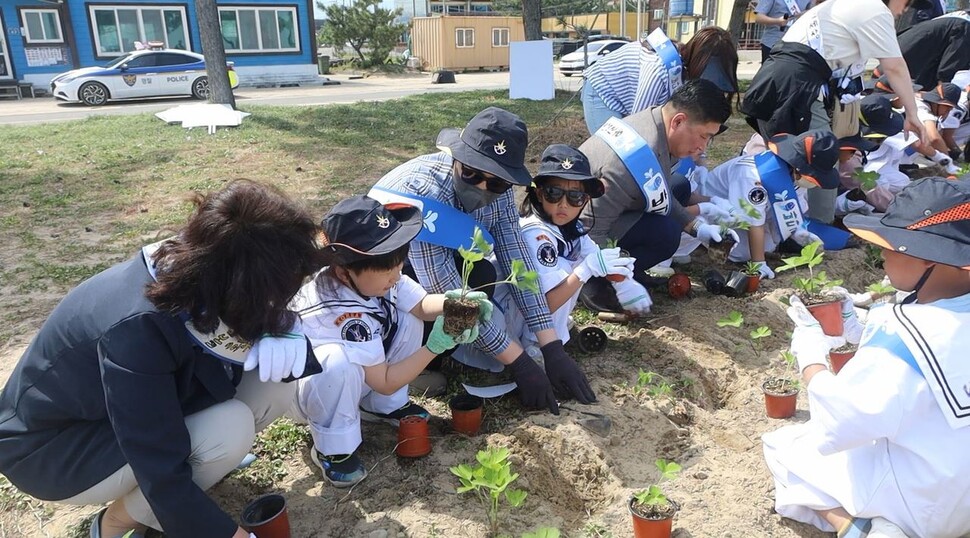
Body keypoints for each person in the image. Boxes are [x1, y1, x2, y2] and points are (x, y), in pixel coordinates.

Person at [0, 180, 324, 538]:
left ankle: (197, 474)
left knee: (272, 384)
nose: (280, 302)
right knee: (227, 431)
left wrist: (287, 327)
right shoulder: (136, 330)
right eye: (277, 293)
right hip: (55, 450)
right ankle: (116, 523)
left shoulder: (206, 265)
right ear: (248, 284)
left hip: (126, 410)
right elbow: (159, 465)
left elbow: (277, 353)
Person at [763, 177, 970, 538]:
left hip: (926, 508)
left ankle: (860, 528)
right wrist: (861, 327)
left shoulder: (905, 337)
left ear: (923, 256)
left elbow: (842, 421)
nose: (883, 255)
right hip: (960, 490)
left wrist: (811, 357)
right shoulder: (934, 318)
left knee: (785, 448)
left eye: (890, 246)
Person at [369, 107, 595, 415]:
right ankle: (408, 361)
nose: (482, 188)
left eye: (497, 183)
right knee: (455, 293)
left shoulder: (499, 191)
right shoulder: (421, 194)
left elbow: (520, 263)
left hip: (447, 268)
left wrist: (551, 346)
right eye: (472, 174)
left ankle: (447, 349)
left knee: (483, 274)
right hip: (392, 280)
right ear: (457, 157)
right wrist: (520, 362)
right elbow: (450, 295)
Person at [291, 196, 486, 487]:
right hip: (314, 390)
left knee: (409, 317)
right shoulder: (341, 313)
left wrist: (453, 301)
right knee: (337, 362)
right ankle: (333, 448)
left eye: (398, 264)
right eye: (387, 269)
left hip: (364, 374)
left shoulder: (375, 279)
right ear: (344, 272)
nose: (397, 275)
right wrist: (434, 347)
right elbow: (383, 379)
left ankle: (382, 407)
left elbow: (420, 304)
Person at [743, 0, 926, 226]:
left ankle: (786, 221)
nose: (904, 11)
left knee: (792, 155)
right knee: (820, 153)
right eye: (907, 4)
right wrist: (912, 113)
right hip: (797, 81)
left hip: (787, 76)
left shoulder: (846, 5)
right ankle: (817, 225)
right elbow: (895, 66)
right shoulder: (874, 9)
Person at [578, 78, 736, 302]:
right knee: (666, 233)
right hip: (580, 228)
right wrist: (620, 281)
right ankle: (596, 284)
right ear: (678, 121)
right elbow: (589, 230)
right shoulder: (632, 160)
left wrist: (697, 228)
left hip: (610, 208)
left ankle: (630, 267)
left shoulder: (654, 122)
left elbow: (659, 190)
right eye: (703, 136)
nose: (703, 147)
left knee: (679, 185)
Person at [695, 129, 837, 274]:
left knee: (767, 244)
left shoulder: (794, 175)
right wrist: (758, 264)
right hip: (720, 211)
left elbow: (792, 206)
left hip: (751, 211)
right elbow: (753, 221)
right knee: (743, 252)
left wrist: (797, 231)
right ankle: (700, 242)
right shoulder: (751, 176)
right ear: (798, 168)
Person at [581, 26, 739, 135]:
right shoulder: (660, 68)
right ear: (696, 62)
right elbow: (639, 124)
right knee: (617, 151)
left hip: (629, 98)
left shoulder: (687, 74)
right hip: (602, 91)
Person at [895, 10, 970, 92]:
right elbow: (950, 63)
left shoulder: (959, 19)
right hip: (910, 56)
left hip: (903, 48)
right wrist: (943, 91)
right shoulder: (965, 27)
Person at [912, 82, 962, 174]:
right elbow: (934, 138)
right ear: (938, 101)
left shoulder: (924, 102)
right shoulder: (922, 108)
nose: (949, 111)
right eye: (947, 107)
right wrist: (948, 163)